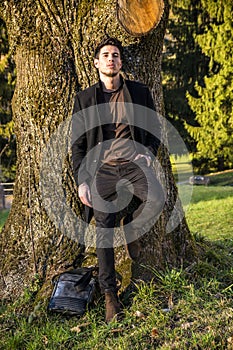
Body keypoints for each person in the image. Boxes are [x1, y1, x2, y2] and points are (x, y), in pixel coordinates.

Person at [72, 37, 165, 323]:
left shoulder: (138, 92)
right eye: (105, 55)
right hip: (102, 171)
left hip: (134, 164)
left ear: (121, 62)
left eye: (115, 55)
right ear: (97, 63)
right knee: (104, 228)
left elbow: (154, 128)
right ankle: (110, 295)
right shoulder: (85, 99)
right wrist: (82, 181)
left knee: (157, 198)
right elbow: (77, 145)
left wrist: (148, 153)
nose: (111, 58)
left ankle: (132, 228)